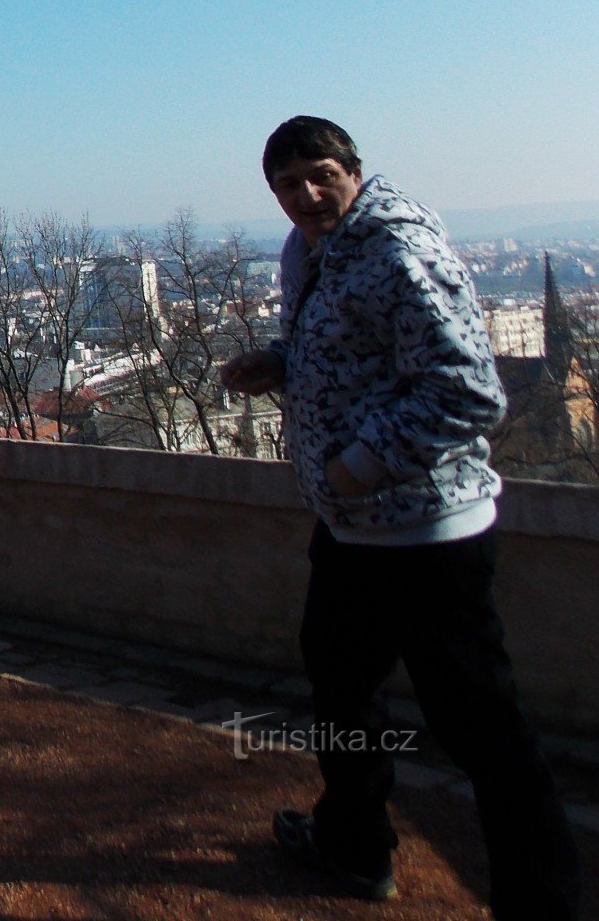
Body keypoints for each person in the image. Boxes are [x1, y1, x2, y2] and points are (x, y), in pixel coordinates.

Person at [221, 116, 579, 917]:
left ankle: (543, 899)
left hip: (426, 534)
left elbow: (467, 391)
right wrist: (277, 365)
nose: (305, 195)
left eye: (319, 175)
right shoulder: (311, 252)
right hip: (353, 529)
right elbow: (362, 357)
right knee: (345, 696)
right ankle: (354, 846)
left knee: (482, 730)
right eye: (286, 185)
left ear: (353, 169)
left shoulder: (397, 253)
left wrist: (356, 466)